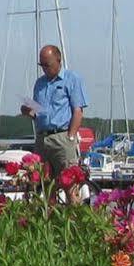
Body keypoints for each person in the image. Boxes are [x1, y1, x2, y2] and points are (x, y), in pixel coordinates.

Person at [23, 43, 88, 180]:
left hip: (62, 136)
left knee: (69, 183)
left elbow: (78, 110)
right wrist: (29, 111)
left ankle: (73, 202)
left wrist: (70, 137)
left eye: (48, 65)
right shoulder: (40, 83)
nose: (45, 69)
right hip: (42, 138)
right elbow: (39, 113)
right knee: (44, 183)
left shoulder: (72, 79)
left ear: (58, 60)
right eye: (42, 65)